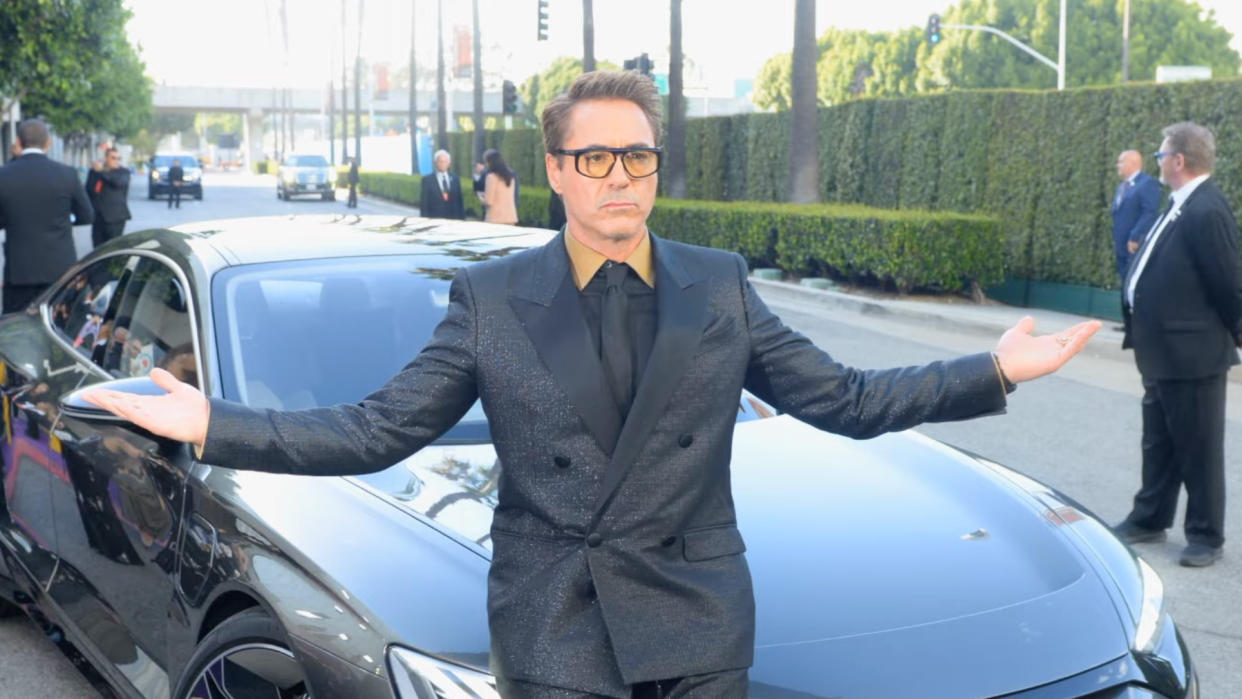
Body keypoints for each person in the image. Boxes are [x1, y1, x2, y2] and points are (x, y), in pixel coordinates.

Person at [83, 70, 1100, 698]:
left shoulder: (720, 286)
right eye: (597, 156)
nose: (621, 176)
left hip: (698, 617)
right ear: (558, 171)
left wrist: (993, 368)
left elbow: (845, 399)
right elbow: (377, 427)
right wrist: (213, 417)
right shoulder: (491, 301)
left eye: (640, 157)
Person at [1115, 122, 1242, 568]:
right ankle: (1150, 517)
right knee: (1161, 443)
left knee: (1199, 448)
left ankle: (1206, 535)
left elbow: (1230, 284)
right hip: (1163, 352)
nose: (1159, 162)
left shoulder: (1207, 209)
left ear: (1179, 161)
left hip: (1194, 356)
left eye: (1161, 154)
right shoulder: (1182, 205)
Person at [0, 118, 93, 313]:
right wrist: (63, 220)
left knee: (16, 330)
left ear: (18, 142)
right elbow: (87, 215)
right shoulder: (67, 174)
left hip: (19, 272)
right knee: (58, 327)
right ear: (48, 143)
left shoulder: (4, 175)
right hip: (60, 271)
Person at [1110, 150, 1160, 284]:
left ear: (1132, 163)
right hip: (1121, 244)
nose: (1117, 165)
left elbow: (1150, 212)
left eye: (1121, 162)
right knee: (1124, 281)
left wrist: (1135, 236)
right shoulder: (1122, 186)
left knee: (1135, 280)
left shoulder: (1147, 183)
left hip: (1134, 244)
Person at [87, 147, 132, 247]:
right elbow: (89, 190)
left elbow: (118, 182)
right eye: (113, 158)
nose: (116, 161)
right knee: (97, 249)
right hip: (98, 218)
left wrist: (102, 171)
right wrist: (96, 172)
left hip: (115, 218)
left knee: (112, 248)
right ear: (105, 158)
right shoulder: (96, 171)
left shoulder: (123, 172)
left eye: (118, 158)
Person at [419, 149, 465, 219]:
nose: (443, 164)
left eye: (445, 162)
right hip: (435, 219)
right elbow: (424, 203)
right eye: (440, 161)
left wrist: (462, 219)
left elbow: (460, 201)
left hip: (453, 219)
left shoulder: (455, 179)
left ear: (449, 163)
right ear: (435, 163)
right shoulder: (427, 180)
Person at [482, 149, 518, 225]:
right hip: (510, 217)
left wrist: (482, 199)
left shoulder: (491, 177)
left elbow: (489, 201)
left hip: (495, 218)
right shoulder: (511, 177)